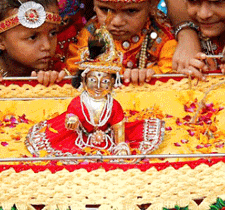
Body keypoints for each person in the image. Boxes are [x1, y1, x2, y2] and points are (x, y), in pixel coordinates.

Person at [26, 26, 164, 157]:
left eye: (104, 82)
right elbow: (72, 115)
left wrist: (121, 145)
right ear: (84, 82)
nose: (98, 86)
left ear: (112, 85)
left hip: (108, 138)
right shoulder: (78, 103)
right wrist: (72, 120)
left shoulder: (113, 105)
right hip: (80, 138)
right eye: (93, 81)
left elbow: (118, 126)